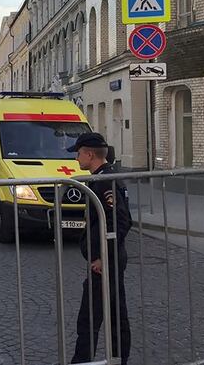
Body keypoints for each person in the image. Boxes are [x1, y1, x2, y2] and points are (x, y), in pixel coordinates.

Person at [67, 132, 132, 365]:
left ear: (90, 154)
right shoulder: (106, 176)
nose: (76, 158)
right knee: (115, 314)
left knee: (90, 318)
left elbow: (121, 220)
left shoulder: (103, 180)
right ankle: (118, 359)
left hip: (106, 262)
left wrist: (104, 257)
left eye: (78, 152)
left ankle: (82, 361)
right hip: (110, 259)